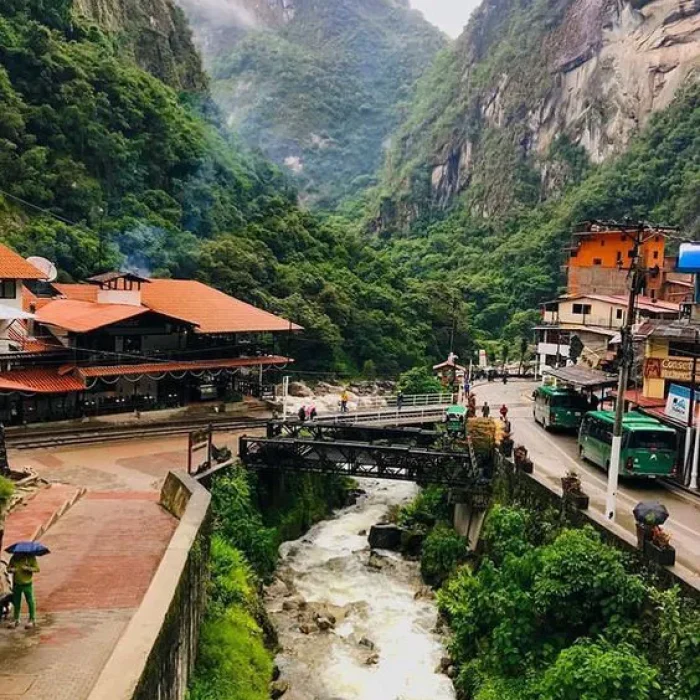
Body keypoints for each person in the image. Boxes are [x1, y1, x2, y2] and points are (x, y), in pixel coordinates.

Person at [7, 553, 39, 629]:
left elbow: (37, 569)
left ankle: (32, 619)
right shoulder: (14, 558)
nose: (17, 555)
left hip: (27, 584)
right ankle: (16, 619)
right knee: (16, 602)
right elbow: (8, 568)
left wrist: (28, 568)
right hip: (17, 584)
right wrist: (11, 570)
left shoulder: (31, 557)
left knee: (30, 601)